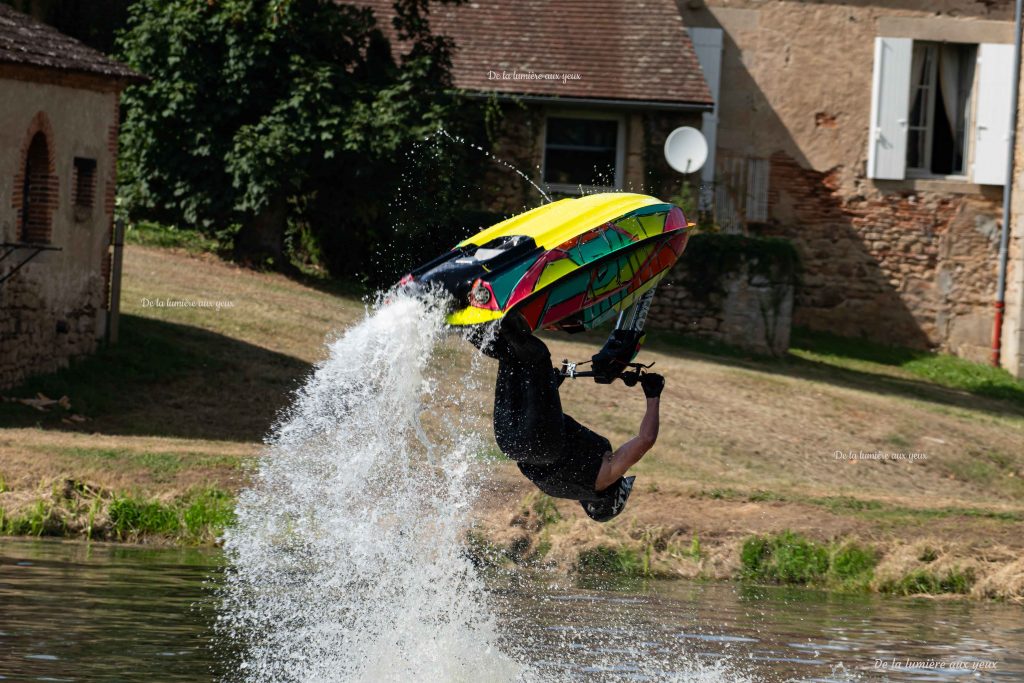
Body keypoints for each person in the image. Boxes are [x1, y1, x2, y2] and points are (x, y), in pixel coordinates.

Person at [474, 315, 664, 522]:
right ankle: (466, 324)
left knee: (536, 355)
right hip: (508, 442)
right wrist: (546, 390)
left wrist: (653, 395)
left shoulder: (606, 477)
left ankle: (502, 313)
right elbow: (542, 448)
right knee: (510, 356)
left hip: (540, 439)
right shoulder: (557, 489)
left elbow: (646, 439)